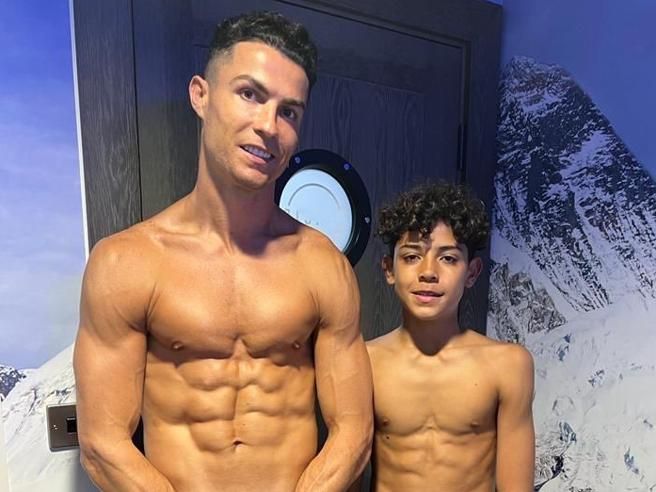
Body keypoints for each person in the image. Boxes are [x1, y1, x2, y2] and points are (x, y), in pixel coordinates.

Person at [73, 11, 373, 492]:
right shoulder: (127, 263)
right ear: (201, 95)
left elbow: (354, 432)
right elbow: (102, 443)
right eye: (250, 94)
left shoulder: (323, 266)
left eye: (289, 112)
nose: (268, 125)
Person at [362, 182, 534, 492]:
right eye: (412, 257)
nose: (428, 272)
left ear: (472, 273)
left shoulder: (508, 365)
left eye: (448, 258)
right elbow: (346, 468)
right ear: (389, 269)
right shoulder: (364, 362)